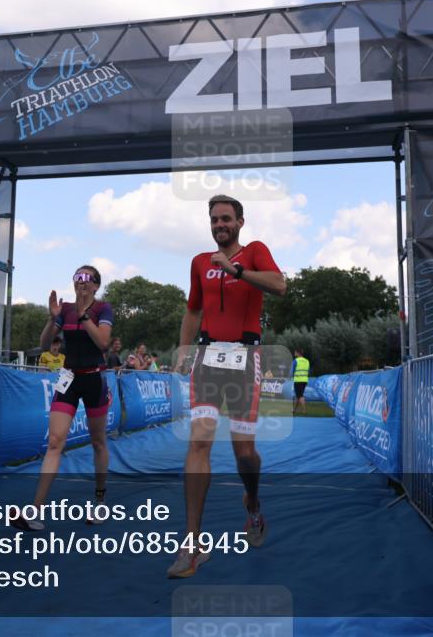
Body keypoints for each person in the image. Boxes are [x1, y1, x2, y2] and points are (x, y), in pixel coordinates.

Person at [167, 194, 286, 578]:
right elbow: (193, 310)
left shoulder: (254, 251)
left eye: (226, 219)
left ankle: (252, 501)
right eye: (214, 219)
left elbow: (279, 285)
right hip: (206, 358)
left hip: (245, 358)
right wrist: (184, 349)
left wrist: (236, 270)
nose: (220, 224)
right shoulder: (200, 262)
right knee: (199, 442)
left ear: (239, 222)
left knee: (244, 453)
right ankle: (192, 544)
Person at [11, 265, 114, 531]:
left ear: (96, 285)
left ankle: (100, 499)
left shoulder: (103, 309)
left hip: (94, 379)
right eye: (77, 277)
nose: (81, 281)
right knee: (55, 442)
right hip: (68, 379)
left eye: (87, 278)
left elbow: (103, 343)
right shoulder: (65, 309)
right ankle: (35, 511)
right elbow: (45, 345)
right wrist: (51, 319)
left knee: (98, 442)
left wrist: (84, 316)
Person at [292, 349, 310, 415]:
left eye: (295, 352)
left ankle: (304, 411)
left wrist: (289, 377)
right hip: (305, 380)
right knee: (298, 395)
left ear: (298, 353)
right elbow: (308, 371)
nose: (294, 354)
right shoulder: (307, 361)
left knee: (300, 395)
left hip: (298, 380)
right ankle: (294, 410)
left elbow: (292, 370)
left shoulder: (296, 361)